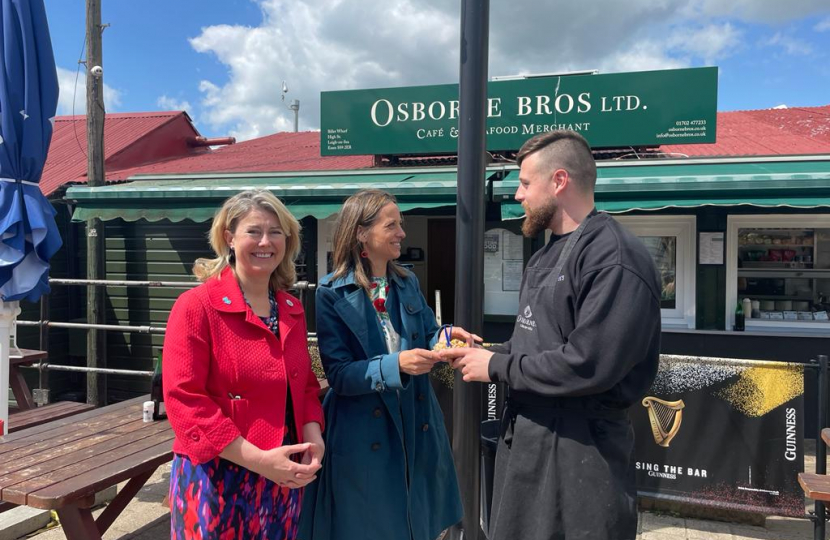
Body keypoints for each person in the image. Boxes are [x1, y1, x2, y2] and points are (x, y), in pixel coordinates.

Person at [440, 131, 662, 540]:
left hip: (582, 451)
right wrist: (483, 352)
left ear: (559, 181)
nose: (518, 195)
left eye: (525, 183)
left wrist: (498, 365)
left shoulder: (613, 256)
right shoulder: (546, 253)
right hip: (528, 441)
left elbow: (589, 363)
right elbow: (538, 343)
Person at [300, 189, 474, 540]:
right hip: (365, 433)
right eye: (391, 225)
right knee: (371, 526)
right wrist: (396, 366)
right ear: (362, 233)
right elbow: (338, 374)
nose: (401, 233)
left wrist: (445, 336)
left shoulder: (407, 282)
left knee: (418, 522)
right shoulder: (331, 292)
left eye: (401, 224)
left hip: (416, 423)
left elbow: (427, 332)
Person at [163, 190, 325, 540]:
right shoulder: (196, 306)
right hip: (217, 473)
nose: (265, 241)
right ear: (229, 238)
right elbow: (183, 398)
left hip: (282, 473)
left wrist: (314, 439)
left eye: (276, 232)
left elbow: (306, 386)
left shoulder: (291, 309)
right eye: (254, 231)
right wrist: (258, 461)